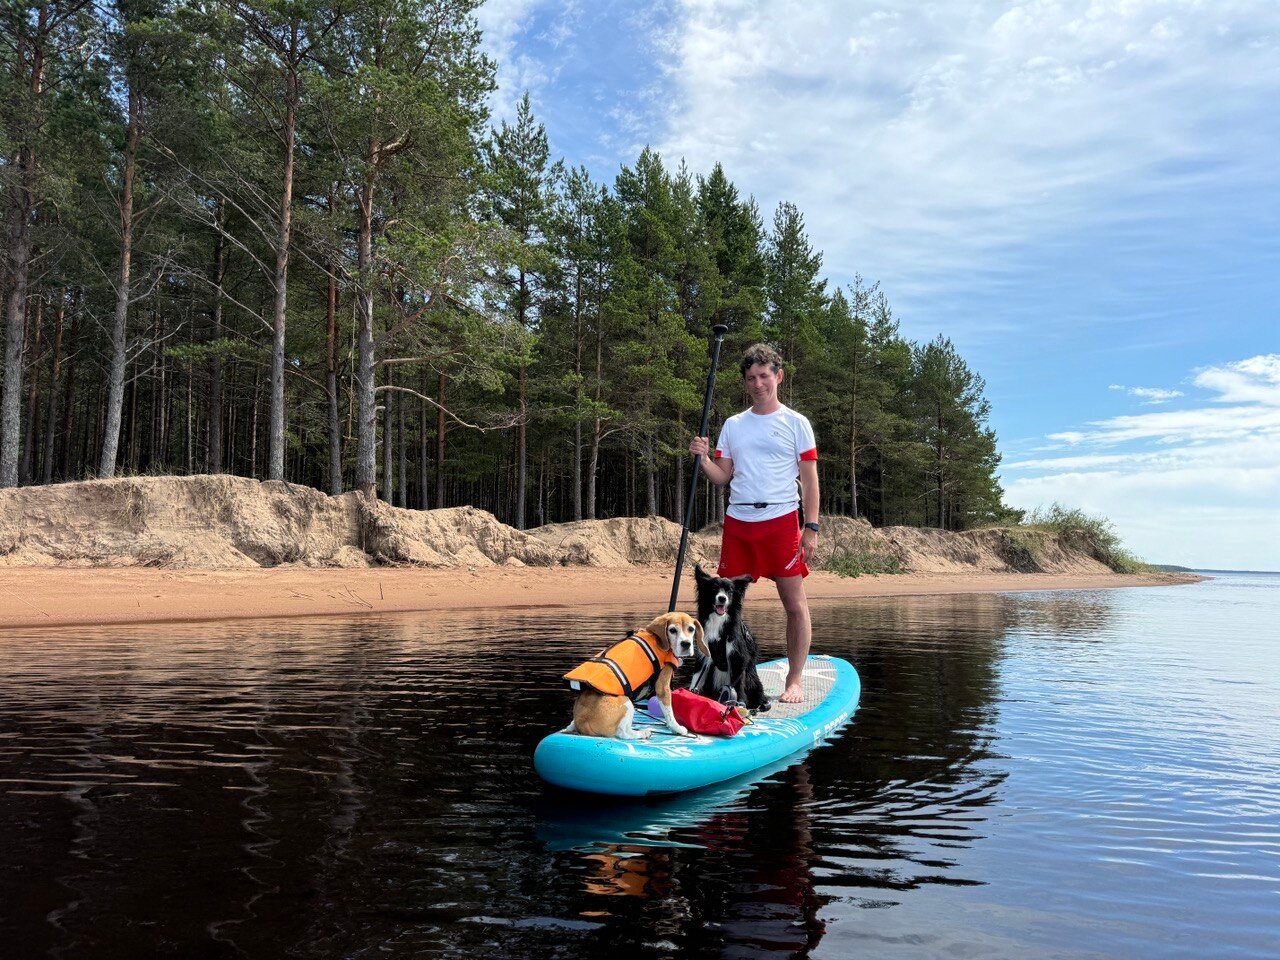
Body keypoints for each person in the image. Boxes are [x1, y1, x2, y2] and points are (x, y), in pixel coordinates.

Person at [689, 343, 819, 703]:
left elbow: (809, 480)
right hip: (739, 522)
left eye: (764, 376)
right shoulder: (733, 425)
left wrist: (811, 527)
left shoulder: (797, 423)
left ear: (778, 376)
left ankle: (794, 680)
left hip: (780, 521)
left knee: (794, 605)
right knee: (722, 608)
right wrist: (702, 460)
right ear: (745, 382)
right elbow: (722, 476)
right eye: (751, 378)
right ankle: (719, 678)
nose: (758, 383)